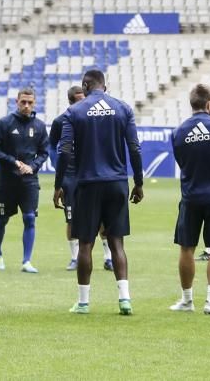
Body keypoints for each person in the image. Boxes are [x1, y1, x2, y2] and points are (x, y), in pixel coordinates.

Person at [58, 69, 143, 316]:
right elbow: (134, 148)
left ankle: (83, 302)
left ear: (85, 86)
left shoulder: (74, 111)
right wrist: (138, 181)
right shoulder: (123, 108)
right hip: (117, 182)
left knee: (85, 243)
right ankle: (125, 299)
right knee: (116, 242)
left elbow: (64, 150)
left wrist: (58, 185)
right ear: (104, 86)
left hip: (87, 183)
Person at [168, 84, 210, 316]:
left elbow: (181, 161)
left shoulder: (178, 131)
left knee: (186, 247)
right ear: (209, 105)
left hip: (190, 195)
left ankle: (187, 300)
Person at [0, 87, 49, 273]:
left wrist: (33, 166)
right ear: (16, 102)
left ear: (34, 103)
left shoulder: (39, 126)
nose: (26, 105)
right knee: (2, 218)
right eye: (23, 102)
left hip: (29, 181)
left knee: (30, 218)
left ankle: (26, 261)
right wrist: (14, 162)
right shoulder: (5, 123)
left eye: (30, 102)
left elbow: (44, 152)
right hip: (7, 181)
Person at [50, 85, 86, 270]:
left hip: (89, 174)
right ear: (71, 101)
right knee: (71, 218)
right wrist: (59, 168)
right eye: (80, 100)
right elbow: (51, 146)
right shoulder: (60, 121)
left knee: (102, 218)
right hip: (69, 176)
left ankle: (108, 256)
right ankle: (74, 257)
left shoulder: (91, 119)